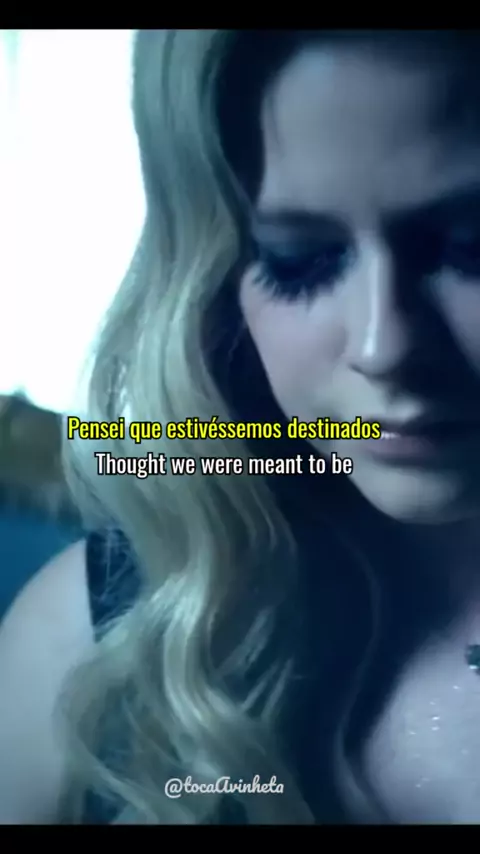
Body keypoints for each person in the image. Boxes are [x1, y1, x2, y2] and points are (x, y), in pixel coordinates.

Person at [3, 28, 480, 825]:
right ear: (217, 285)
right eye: (297, 260)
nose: (383, 345)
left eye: (471, 245)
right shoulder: (95, 650)